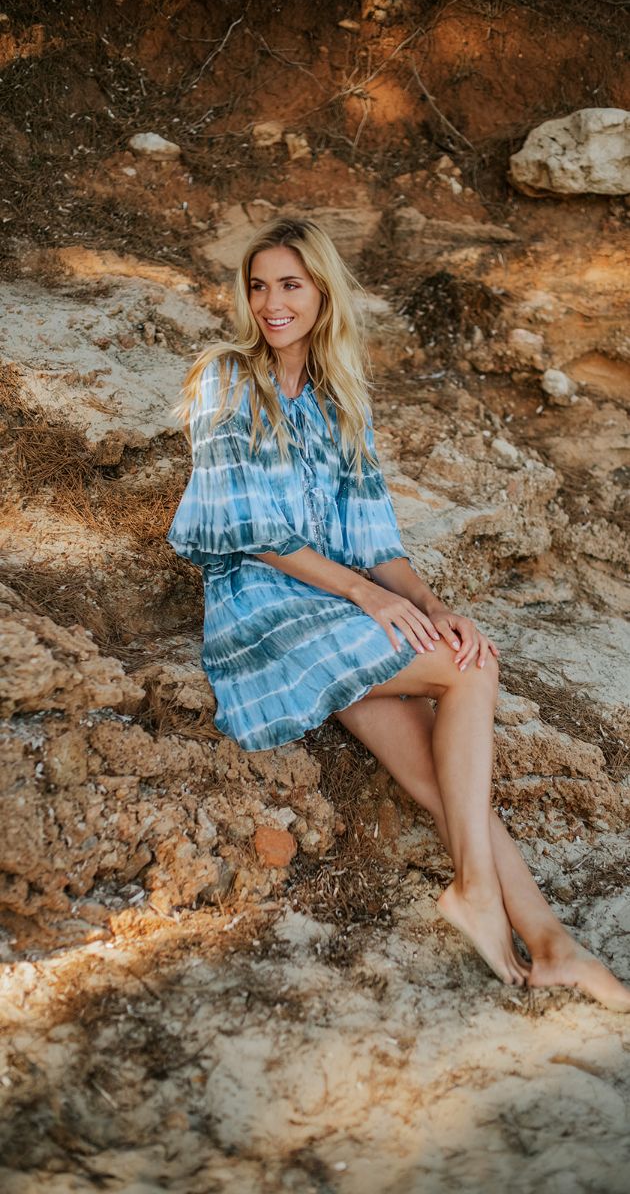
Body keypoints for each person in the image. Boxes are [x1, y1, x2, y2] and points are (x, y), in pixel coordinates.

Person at [167, 215, 630, 1010]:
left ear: (322, 292)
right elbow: (249, 528)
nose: (272, 303)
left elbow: (375, 542)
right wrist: (366, 594)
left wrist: (436, 608)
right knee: (470, 675)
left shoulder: (340, 398)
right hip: (266, 610)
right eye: (258, 285)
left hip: (337, 608)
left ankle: (553, 943)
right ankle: (476, 893)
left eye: (290, 285)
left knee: (447, 767)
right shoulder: (226, 376)